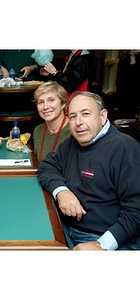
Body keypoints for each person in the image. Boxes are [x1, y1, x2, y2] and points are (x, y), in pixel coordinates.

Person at [38, 91, 140, 250]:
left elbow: (136, 211)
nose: (78, 122)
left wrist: (101, 245)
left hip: (105, 236)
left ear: (102, 116)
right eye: (72, 116)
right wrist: (62, 191)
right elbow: (47, 166)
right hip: (66, 228)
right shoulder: (73, 142)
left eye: (85, 114)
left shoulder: (125, 148)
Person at [33, 81, 71, 161]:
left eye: (51, 100)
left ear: (63, 103)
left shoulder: (74, 131)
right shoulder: (38, 131)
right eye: (41, 102)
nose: (45, 107)